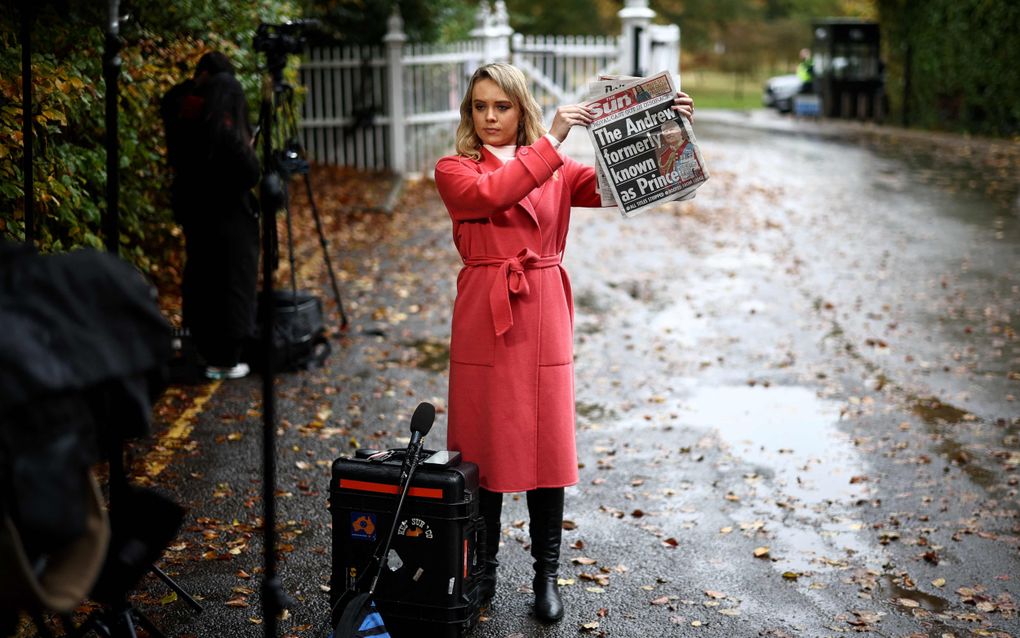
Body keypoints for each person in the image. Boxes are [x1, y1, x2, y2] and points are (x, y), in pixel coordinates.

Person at [433, 63, 694, 623]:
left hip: (544, 309)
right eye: (480, 107)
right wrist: (550, 141)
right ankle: (483, 574)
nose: (489, 118)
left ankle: (546, 577)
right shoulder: (455, 169)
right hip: (485, 311)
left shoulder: (555, 170)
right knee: (482, 449)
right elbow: (494, 194)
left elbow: (630, 182)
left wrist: (669, 131)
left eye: (501, 107)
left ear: (519, 107)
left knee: (545, 447)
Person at [160, 52, 261, 380]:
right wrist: (253, 167)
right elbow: (240, 158)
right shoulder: (224, 100)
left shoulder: (183, 105)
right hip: (229, 208)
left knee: (201, 273)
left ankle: (199, 349)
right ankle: (227, 356)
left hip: (194, 205)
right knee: (232, 275)